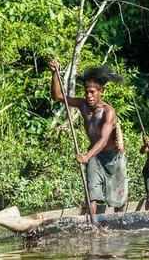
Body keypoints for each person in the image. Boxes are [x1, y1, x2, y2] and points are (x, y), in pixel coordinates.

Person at [50, 59, 128, 214]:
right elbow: (57, 96)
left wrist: (86, 156)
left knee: (117, 200)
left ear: (101, 92)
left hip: (113, 157)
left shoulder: (108, 111)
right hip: (96, 156)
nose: (89, 95)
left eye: (92, 92)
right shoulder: (82, 104)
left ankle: (120, 221)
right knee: (91, 193)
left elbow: (104, 139)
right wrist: (54, 74)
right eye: (86, 91)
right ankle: (93, 226)